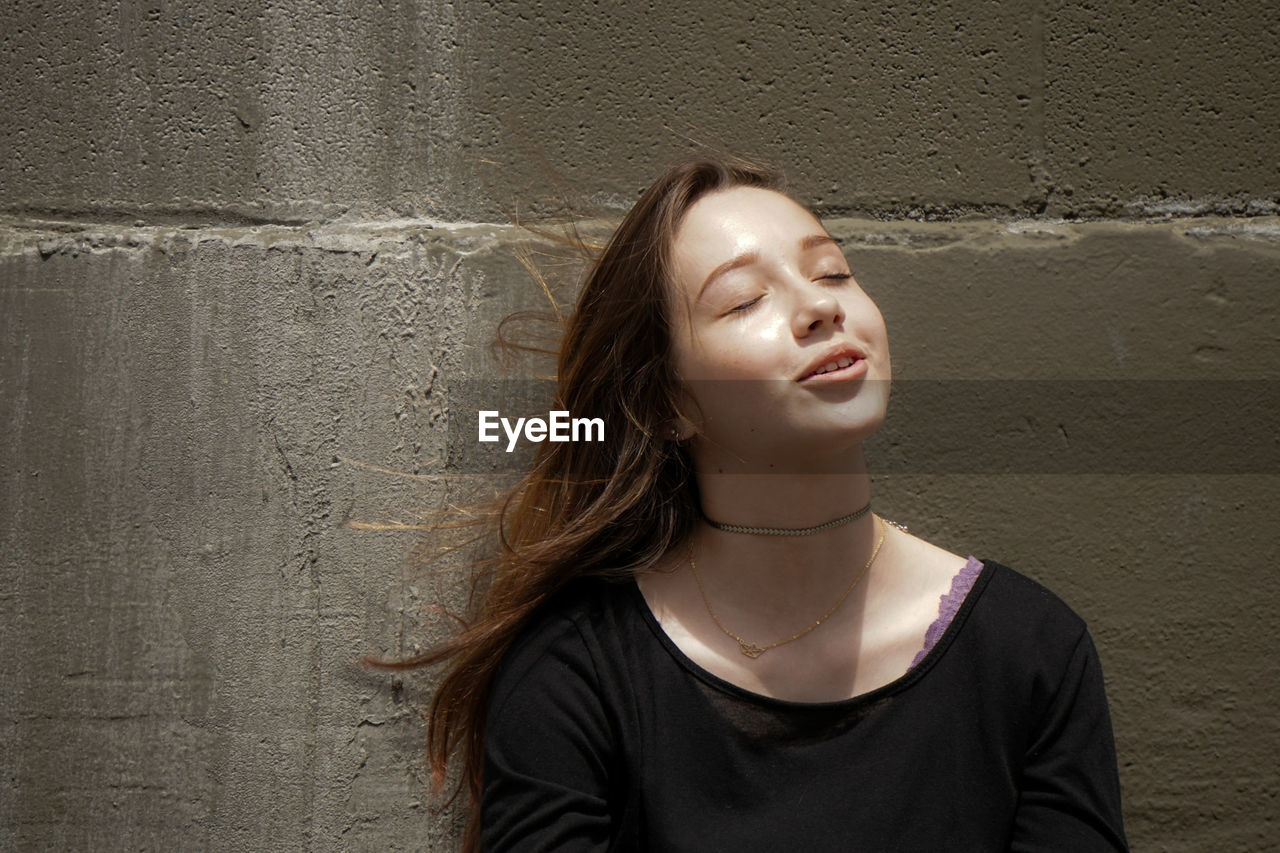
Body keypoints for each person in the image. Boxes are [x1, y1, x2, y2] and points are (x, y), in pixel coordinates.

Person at [384, 155, 1128, 851]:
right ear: (670, 402)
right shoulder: (577, 670)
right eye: (744, 300)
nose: (818, 307)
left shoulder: (1029, 651)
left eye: (833, 272)